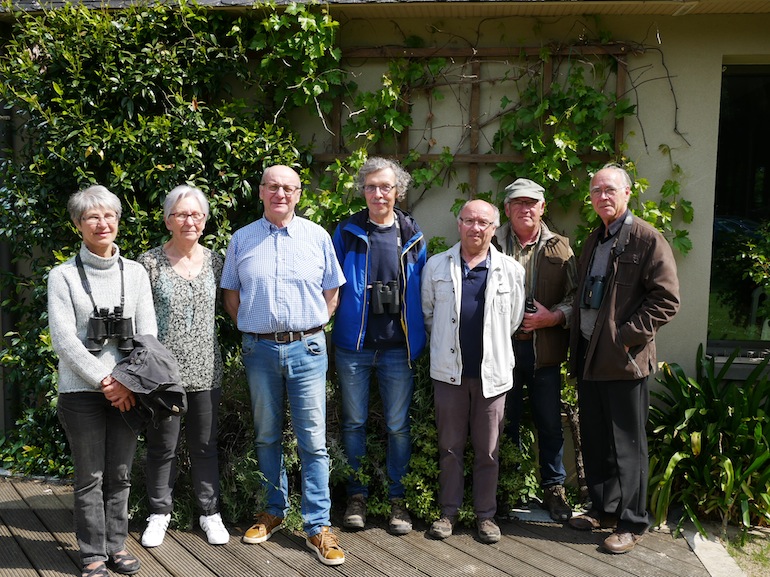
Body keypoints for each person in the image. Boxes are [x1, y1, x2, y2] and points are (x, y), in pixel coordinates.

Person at [221, 165, 346, 566]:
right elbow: (231, 294)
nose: (280, 193)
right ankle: (274, 511)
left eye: (288, 188)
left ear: (298, 194)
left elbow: (332, 292)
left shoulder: (317, 236)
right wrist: (251, 330)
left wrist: (312, 329)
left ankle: (317, 527)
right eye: (273, 187)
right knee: (266, 435)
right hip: (259, 351)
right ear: (260, 192)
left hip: (307, 349)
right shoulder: (242, 239)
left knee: (313, 440)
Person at [567, 164, 679, 554]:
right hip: (588, 357)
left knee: (628, 444)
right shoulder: (593, 239)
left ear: (628, 193)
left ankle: (632, 523)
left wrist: (624, 339)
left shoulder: (647, 239)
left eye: (610, 190)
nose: (603, 197)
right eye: (597, 191)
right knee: (597, 439)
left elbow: (666, 300)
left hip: (623, 361)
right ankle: (604, 510)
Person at [48, 185, 157, 577]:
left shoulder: (136, 272)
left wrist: (127, 382)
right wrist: (105, 381)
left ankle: (116, 545)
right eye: (92, 217)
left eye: (109, 215)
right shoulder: (62, 276)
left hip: (128, 391)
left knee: (121, 473)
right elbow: (64, 341)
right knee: (90, 475)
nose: (102, 223)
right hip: (82, 391)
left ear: (118, 220)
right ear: (78, 224)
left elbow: (148, 337)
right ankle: (92, 551)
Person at [421, 199, 526, 544]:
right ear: (458, 224)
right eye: (469, 221)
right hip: (449, 374)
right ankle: (448, 513)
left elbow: (512, 321)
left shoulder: (510, 270)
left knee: (488, 450)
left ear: (494, 228)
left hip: (491, 377)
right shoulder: (437, 265)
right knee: (449, 448)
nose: (475, 228)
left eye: (483, 222)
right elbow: (428, 315)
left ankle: (486, 516)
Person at [332, 157, 427, 535]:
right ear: (363, 191)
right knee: (353, 424)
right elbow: (329, 282)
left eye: (385, 187)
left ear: (398, 191)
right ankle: (357, 496)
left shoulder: (412, 234)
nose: (378, 194)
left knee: (397, 426)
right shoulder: (348, 231)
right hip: (353, 347)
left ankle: (398, 499)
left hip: (396, 348)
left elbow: (424, 291)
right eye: (371, 187)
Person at [136, 185, 228, 548]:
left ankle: (210, 513)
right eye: (181, 214)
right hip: (163, 376)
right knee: (162, 447)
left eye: (195, 214)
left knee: (205, 445)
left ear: (205, 220)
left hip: (207, 370)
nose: (189, 220)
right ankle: (159, 514)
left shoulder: (218, 261)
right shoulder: (149, 263)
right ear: (167, 219)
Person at [493, 178, 577, 522]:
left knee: (549, 424)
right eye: (518, 203)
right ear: (507, 209)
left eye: (532, 203)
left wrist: (552, 317)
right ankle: (507, 488)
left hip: (544, 353)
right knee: (504, 422)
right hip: (501, 351)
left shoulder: (562, 248)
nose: (525, 209)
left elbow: (577, 300)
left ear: (543, 208)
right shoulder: (492, 243)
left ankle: (553, 489)